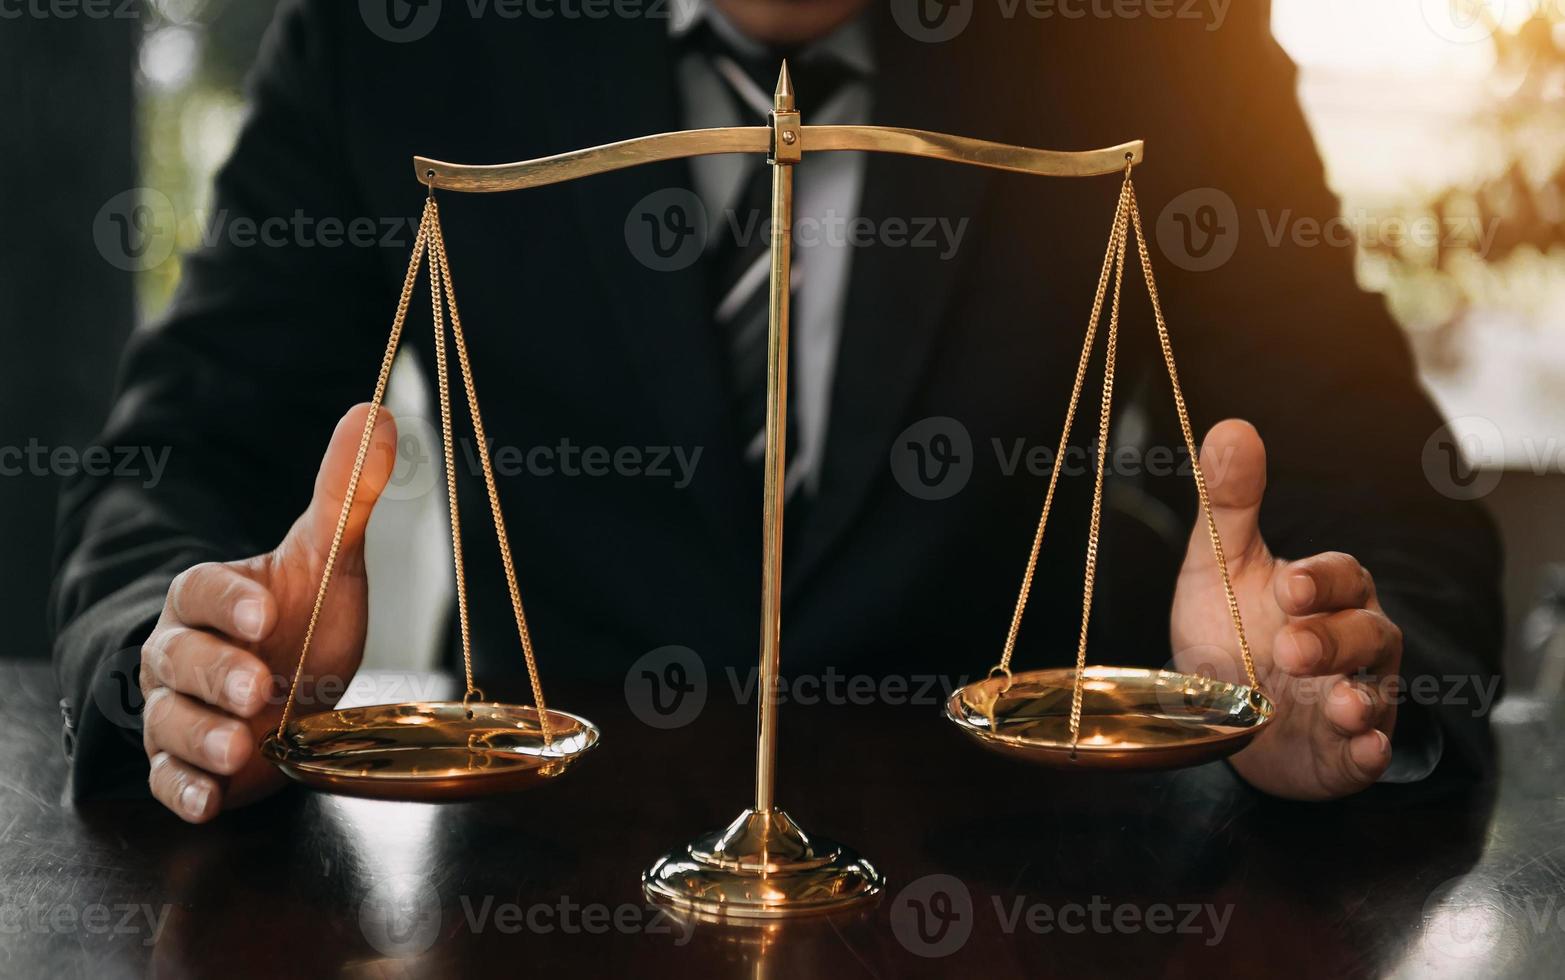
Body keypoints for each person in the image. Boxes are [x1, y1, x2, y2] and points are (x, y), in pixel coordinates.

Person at [51, 0, 1502, 821]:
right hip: (541, 885)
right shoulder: (405, 34)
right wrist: (198, 670)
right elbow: (172, 465)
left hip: (1034, 897)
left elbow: (1394, 499)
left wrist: (1323, 680)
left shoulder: (1146, 37)